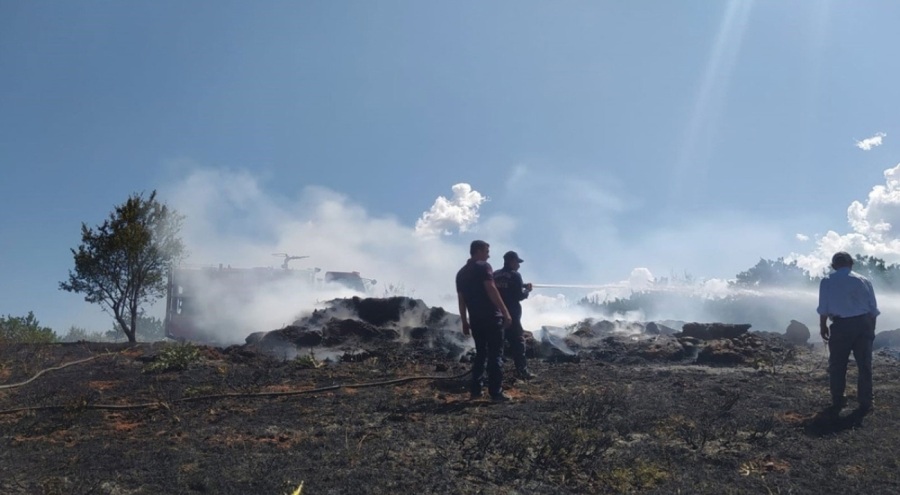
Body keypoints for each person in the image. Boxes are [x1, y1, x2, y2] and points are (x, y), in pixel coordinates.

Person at [817, 251, 879, 415]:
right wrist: (871, 329)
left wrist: (823, 326)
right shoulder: (864, 280)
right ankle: (866, 401)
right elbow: (873, 309)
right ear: (851, 263)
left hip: (840, 325)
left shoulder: (827, 280)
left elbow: (823, 307)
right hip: (863, 324)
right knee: (864, 365)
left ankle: (838, 399)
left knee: (837, 364)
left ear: (834, 265)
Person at [456, 240, 513, 401]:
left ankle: (476, 390)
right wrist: (505, 312)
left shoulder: (461, 273)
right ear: (479, 250)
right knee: (496, 354)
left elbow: (461, 300)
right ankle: (496, 392)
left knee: (481, 354)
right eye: (487, 250)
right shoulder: (484, 266)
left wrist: (465, 322)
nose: (489, 254)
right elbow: (491, 289)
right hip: (491, 317)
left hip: (475, 320)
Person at [493, 250, 536, 379]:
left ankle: (493, 374)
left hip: (496, 315)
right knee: (518, 343)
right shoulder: (515, 275)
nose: (518, 265)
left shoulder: (495, 275)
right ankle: (522, 372)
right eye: (517, 262)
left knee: (496, 346)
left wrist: (521, 285)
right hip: (512, 316)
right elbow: (519, 295)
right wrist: (527, 290)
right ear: (511, 261)